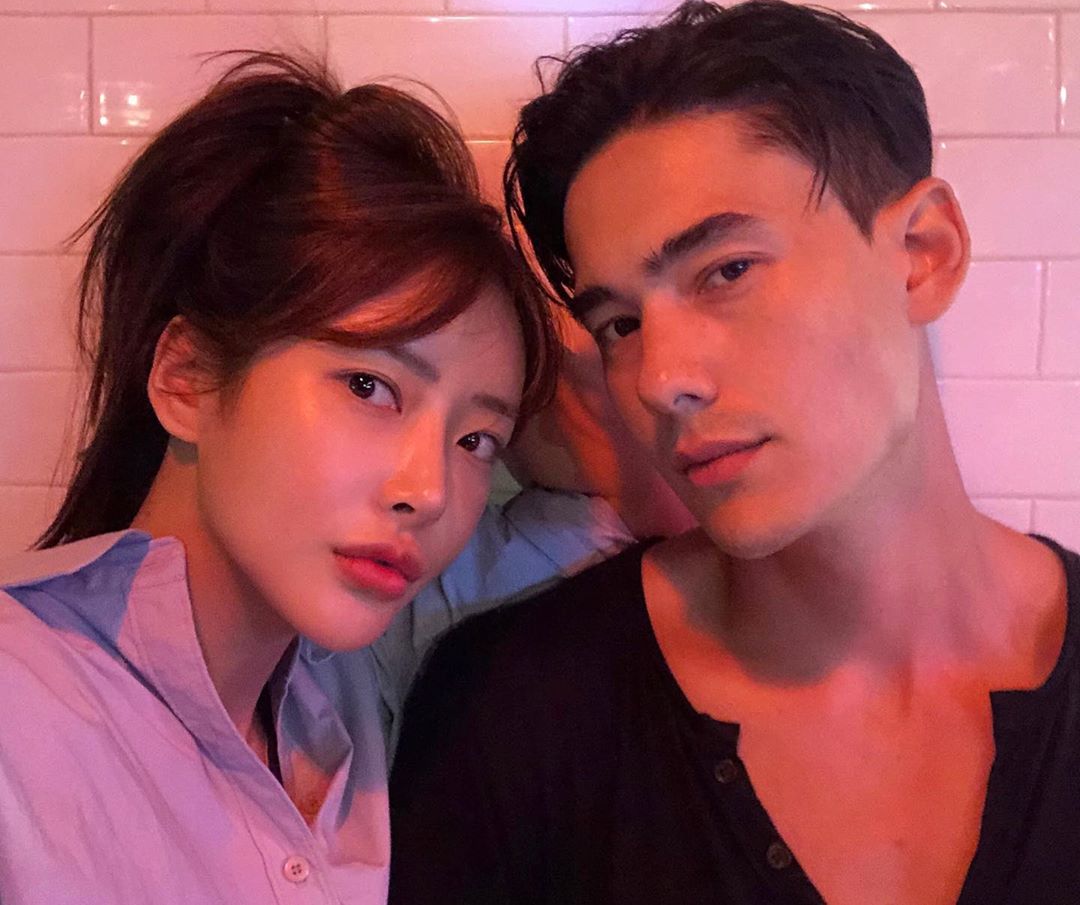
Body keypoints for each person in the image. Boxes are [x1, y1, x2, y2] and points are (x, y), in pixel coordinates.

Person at [388, 0, 1080, 905]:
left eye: (727, 271)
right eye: (620, 323)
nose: (659, 378)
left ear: (922, 252)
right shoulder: (515, 714)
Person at [0, 50, 657, 904]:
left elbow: (628, 521)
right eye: (370, 386)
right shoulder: (22, 713)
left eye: (475, 440)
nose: (428, 490)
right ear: (187, 377)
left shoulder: (359, 671)